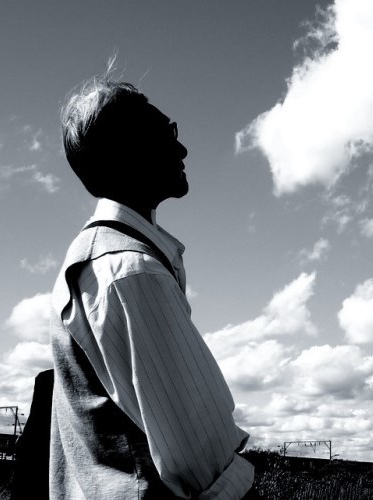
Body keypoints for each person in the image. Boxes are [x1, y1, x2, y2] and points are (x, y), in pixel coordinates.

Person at [49, 77, 254, 499]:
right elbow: (202, 464)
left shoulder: (102, 256)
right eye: (167, 134)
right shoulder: (131, 272)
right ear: (127, 152)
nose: (182, 149)